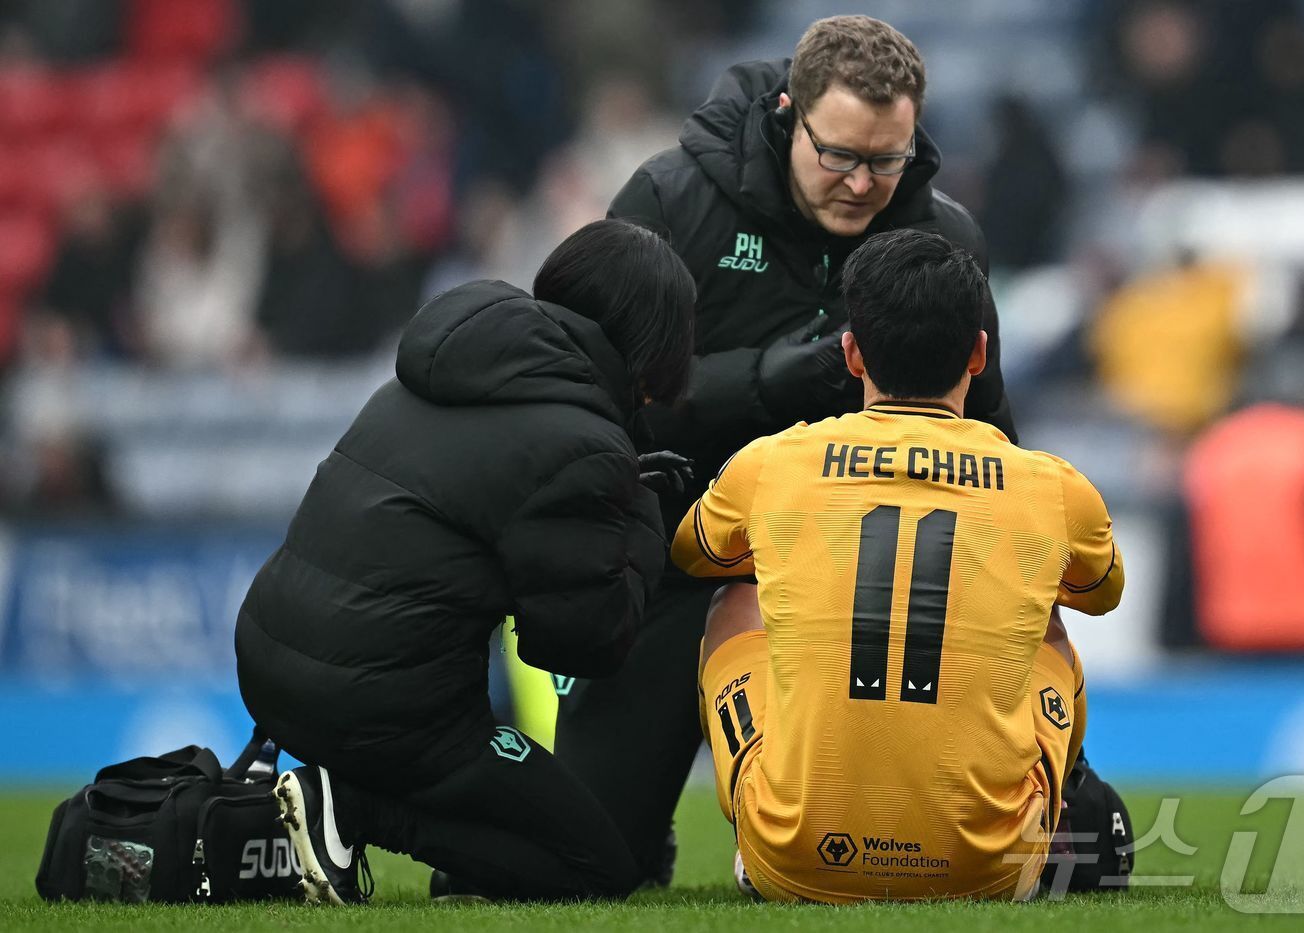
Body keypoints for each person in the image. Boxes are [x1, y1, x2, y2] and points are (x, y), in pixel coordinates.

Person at [553, 14, 1018, 885]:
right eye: (839, 154)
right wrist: (765, 381)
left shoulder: (943, 238)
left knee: (1006, 847)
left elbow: (989, 424)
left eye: (888, 159)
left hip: (865, 592)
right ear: (786, 113)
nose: (863, 183)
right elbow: (593, 397)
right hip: (673, 566)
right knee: (580, 860)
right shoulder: (667, 203)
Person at [234, 219, 695, 904]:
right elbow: (582, 644)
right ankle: (350, 808)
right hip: (382, 709)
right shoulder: (582, 442)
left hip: (271, 666)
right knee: (598, 865)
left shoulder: (445, 365)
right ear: (655, 342)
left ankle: (372, 823)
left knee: (523, 820)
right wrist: (642, 518)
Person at [672, 229, 1125, 902]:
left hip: (795, 857)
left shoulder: (771, 463)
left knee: (734, 600)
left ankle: (765, 826)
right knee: (1049, 622)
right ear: (978, 352)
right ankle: (1046, 815)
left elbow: (693, 554)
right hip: (988, 869)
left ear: (852, 354)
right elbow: (1102, 592)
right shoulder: (1054, 486)